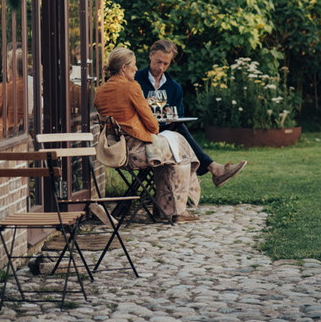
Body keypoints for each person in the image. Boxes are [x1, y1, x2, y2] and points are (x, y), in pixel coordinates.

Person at [94, 47, 201, 222]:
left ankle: (165, 209)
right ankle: (175, 211)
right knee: (180, 152)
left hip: (116, 150)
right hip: (137, 152)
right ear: (123, 68)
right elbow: (153, 125)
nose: (136, 69)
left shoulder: (99, 92)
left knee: (172, 152)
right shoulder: (131, 87)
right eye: (133, 66)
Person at [135, 39, 246, 186]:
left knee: (178, 127)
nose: (161, 68)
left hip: (164, 132)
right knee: (179, 130)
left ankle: (213, 169)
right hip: (142, 131)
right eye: (158, 62)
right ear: (150, 56)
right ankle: (214, 168)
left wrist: (169, 114)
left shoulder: (174, 88)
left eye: (166, 64)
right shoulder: (135, 80)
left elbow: (178, 117)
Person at [0, 44, 34, 142]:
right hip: (26, 139)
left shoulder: (5, 88)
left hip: (8, 140)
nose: (3, 71)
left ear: (13, 69)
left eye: (6, 67)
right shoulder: (31, 85)